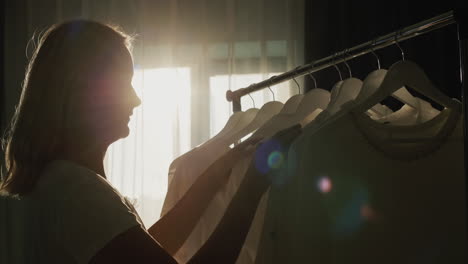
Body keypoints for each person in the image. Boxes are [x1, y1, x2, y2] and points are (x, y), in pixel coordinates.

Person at [0, 20, 302, 264]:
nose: (135, 98)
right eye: (122, 84)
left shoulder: (59, 182)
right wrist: (251, 188)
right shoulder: (78, 191)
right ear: (80, 94)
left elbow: (145, 248)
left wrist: (213, 178)